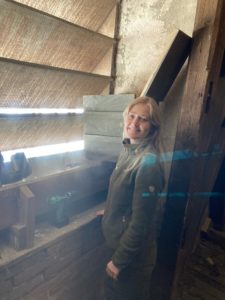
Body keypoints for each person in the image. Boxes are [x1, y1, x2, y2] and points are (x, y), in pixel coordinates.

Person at [101, 96, 165, 300]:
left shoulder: (148, 163)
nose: (134, 123)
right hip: (118, 246)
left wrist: (119, 261)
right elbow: (126, 195)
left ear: (152, 127)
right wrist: (111, 210)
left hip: (133, 258)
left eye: (143, 119)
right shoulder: (128, 150)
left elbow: (142, 222)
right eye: (132, 116)